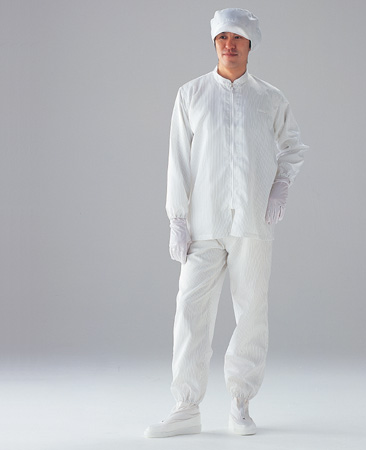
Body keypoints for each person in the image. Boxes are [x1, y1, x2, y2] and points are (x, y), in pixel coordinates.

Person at [144, 8, 308, 438]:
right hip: (203, 223)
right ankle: (186, 406)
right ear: (214, 43)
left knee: (251, 311)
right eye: (222, 38)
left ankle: (240, 403)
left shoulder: (270, 99)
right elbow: (178, 160)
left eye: (236, 38)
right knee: (190, 310)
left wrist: (280, 186)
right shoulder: (191, 95)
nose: (229, 45)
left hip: (253, 221)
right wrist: (177, 219)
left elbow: (293, 146)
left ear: (250, 44)